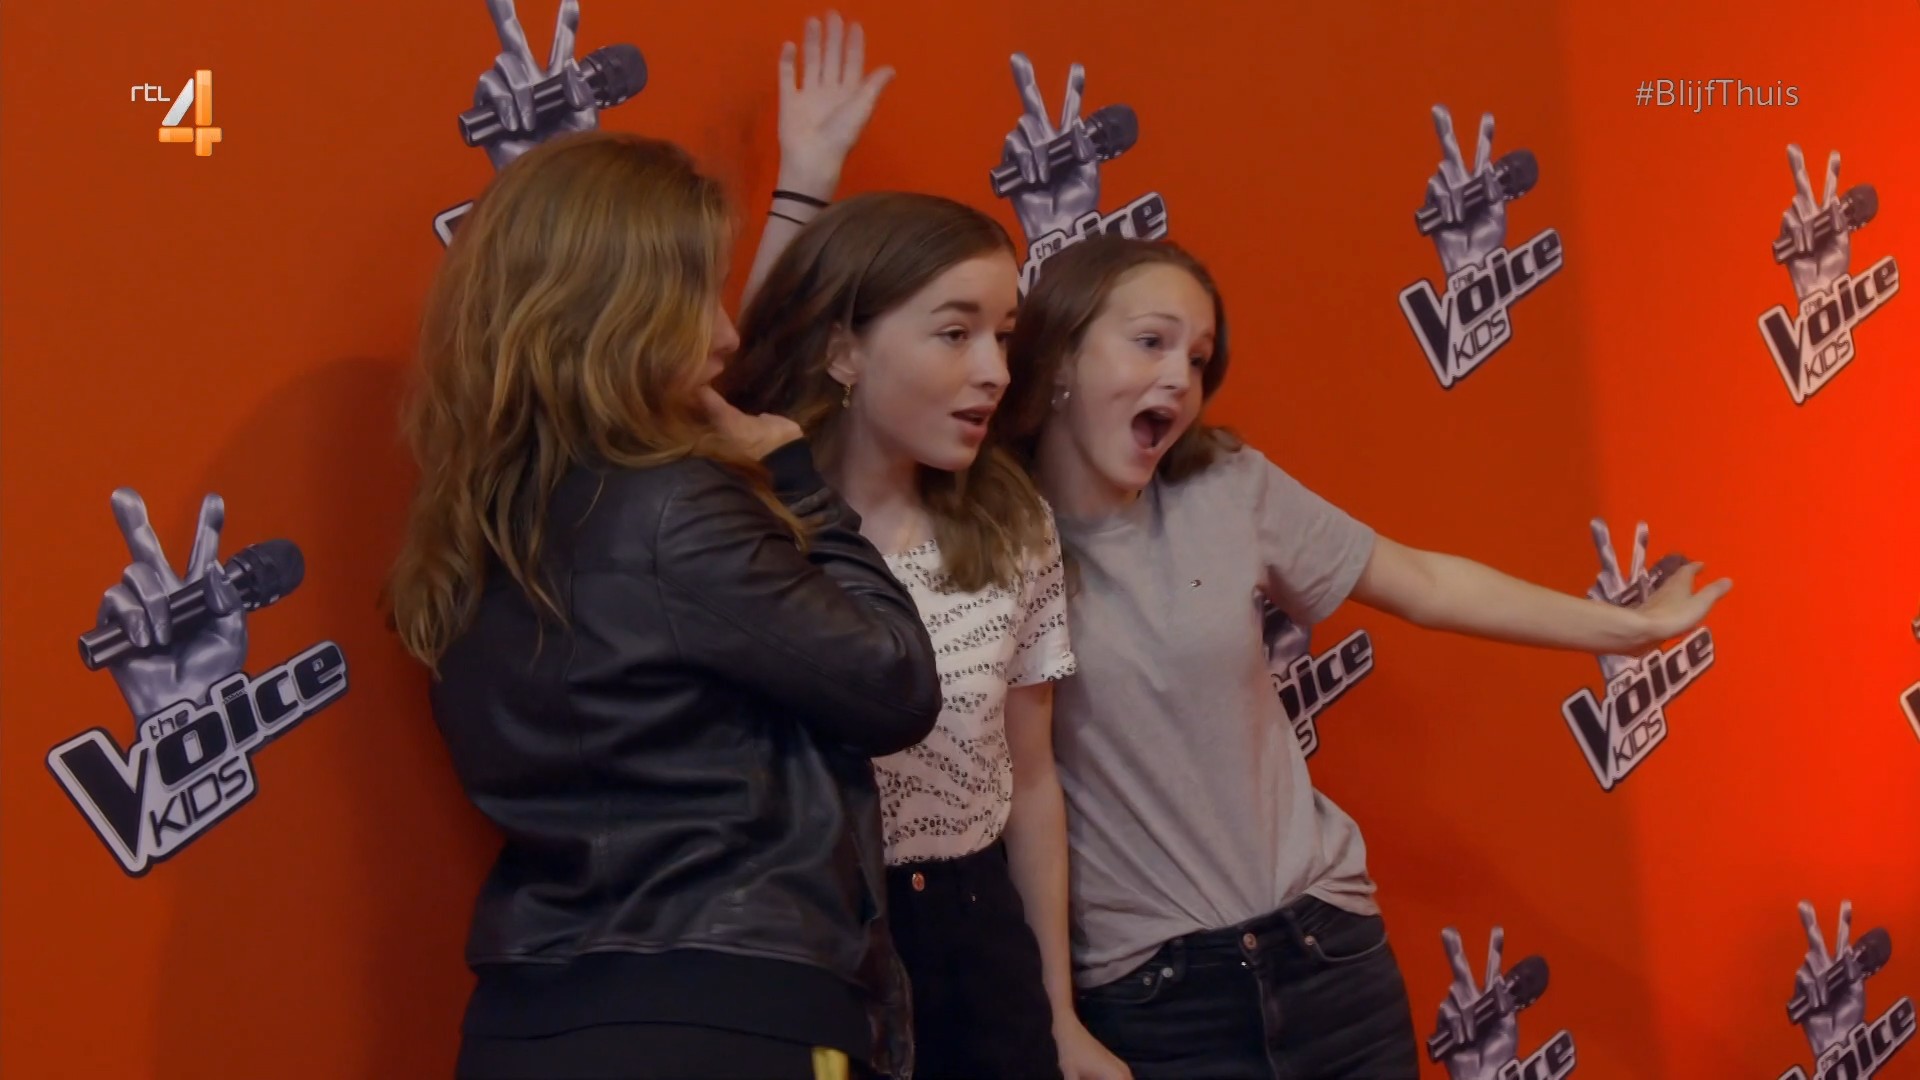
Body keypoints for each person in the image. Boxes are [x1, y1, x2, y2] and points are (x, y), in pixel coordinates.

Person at [1001, 236, 1732, 1079]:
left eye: (1197, 360)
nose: (1178, 378)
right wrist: (1055, 1015)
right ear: (1061, 355)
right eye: (1150, 341)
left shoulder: (1226, 485)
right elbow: (1027, 791)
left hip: (1329, 957)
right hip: (1154, 1000)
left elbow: (1422, 581)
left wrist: (1627, 630)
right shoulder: (994, 540)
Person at [384, 115, 943, 1080]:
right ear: (619, 313)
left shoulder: (468, 526)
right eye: (698, 298)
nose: (727, 336)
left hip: (529, 1027)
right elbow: (895, 686)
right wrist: (801, 484)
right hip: (723, 1017)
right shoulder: (673, 510)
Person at [718, 191, 1124, 1080]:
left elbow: (1030, 778)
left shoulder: (1011, 521)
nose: (994, 371)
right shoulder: (744, 530)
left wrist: (1058, 1012)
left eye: (1003, 337)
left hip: (977, 940)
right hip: (810, 948)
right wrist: (802, 179)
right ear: (843, 349)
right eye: (955, 333)